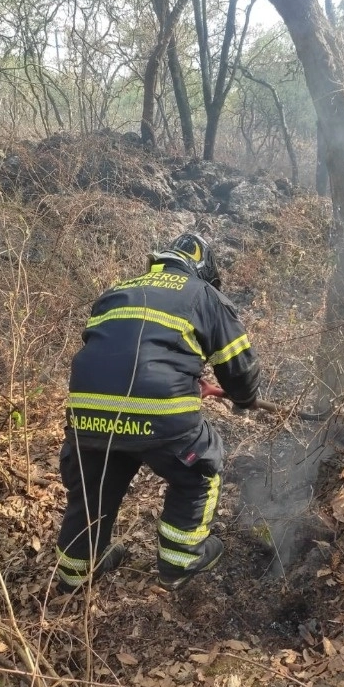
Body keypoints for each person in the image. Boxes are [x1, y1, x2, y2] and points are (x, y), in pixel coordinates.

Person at [54, 232, 260, 593]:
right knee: (200, 469)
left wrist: (188, 378)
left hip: (86, 412)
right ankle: (180, 561)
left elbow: (120, 354)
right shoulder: (204, 294)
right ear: (202, 269)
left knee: (93, 488)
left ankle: (75, 574)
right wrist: (243, 400)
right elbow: (239, 369)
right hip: (158, 415)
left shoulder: (116, 292)